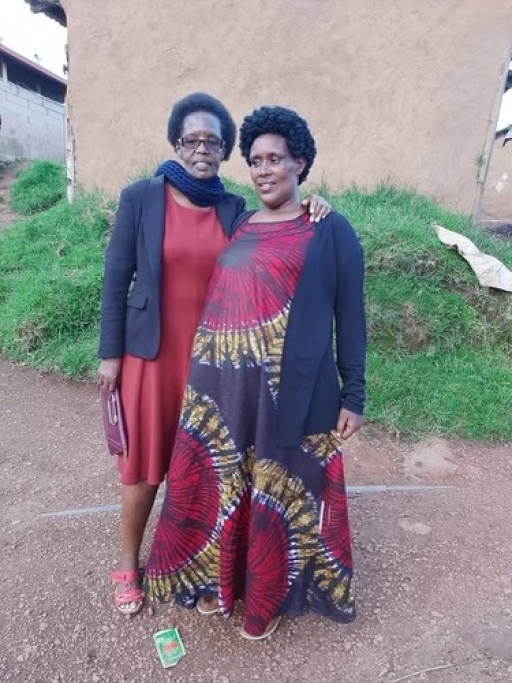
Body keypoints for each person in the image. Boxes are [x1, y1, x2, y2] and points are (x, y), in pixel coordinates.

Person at [97, 93, 332, 615]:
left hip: (215, 361)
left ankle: (203, 565)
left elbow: (276, 234)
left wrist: (318, 205)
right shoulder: (141, 198)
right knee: (144, 468)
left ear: (225, 151)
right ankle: (129, 565)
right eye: (192, 139)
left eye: (214, 142)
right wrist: (109, 353)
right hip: (151, 357)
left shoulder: (232, 208)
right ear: (176, 143)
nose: (202, 149)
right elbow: (116, 279)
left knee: (209, 467)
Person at [145, 105, 366, 640]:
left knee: (278, 490)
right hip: (222, 386)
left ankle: (264, 604)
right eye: (256, 160)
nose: (264, 169)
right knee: (224, 488)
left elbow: (350, 318)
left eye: (276, 159)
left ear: (301, 162)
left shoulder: (329, 229)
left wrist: (353, 394)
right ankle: (220, 583)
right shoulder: (242, 221)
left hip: (282, 388)